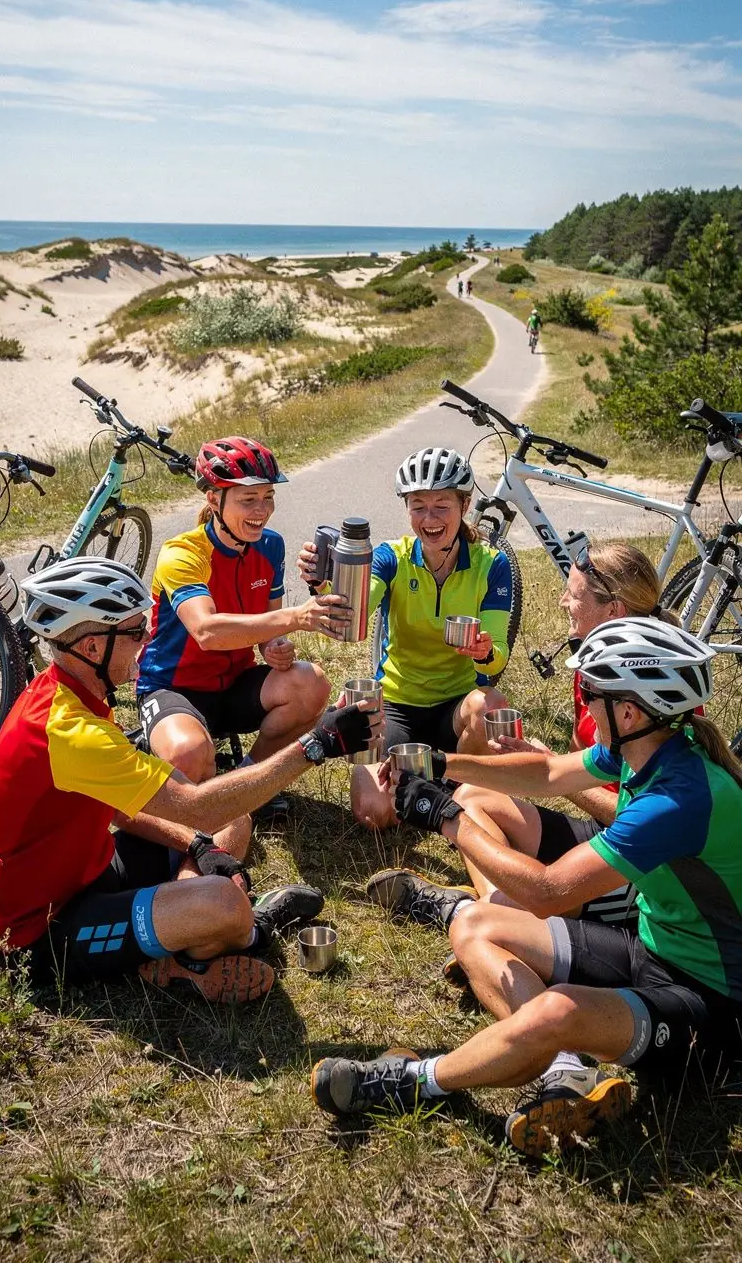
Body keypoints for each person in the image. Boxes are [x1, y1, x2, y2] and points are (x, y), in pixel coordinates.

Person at [312, 620, 742, 1156]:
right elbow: (544, 773)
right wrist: (437, 763)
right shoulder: (647, 747)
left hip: (711, 1003)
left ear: (628, 712)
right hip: (650, 949)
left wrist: (447, 818)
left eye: (590, 692)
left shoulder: (678, 801)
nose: (583, 703)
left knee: (556, 1012)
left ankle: (414, 1080)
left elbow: (547, 892)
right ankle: (564, 1066)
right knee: (472, 922)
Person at [0, 557, 380, 1004]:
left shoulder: (75, 693)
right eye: (134, 632)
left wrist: (197, 847)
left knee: (235, 817)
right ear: (92, 648)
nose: (147, 640)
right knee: (222, 898)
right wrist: (316, 746)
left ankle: (203, 929)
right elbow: (197, 806)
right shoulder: (71, 732)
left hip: (88, 872)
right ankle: (232, 937)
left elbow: (120, 809)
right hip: (40, 931)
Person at [367, 543, 672, 928]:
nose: (563, 601)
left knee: (530, 899)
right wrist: (438, 763)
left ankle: (469, 913)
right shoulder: (596, 667)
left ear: (613, 610)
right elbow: (564, 769)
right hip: (603, 829)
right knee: (471, 795)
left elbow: (635, 814)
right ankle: (491, 911)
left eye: (574, 595)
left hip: (639, 861)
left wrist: (446, 816)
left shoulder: (654, 689)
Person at [136, 437, 347, 856]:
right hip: (171, 687)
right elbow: (207, 631)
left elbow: (267, 627)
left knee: (311, 685)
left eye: (268, 497)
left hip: (233, 684)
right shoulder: (182, 553)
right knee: (191, 753)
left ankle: (249, 785)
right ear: (215, 499)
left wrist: (274, 646)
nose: (262, 511)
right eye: (248, 499)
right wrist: (295, 618)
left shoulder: (271, 546)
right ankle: (179, 765)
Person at [298, 447, 514, 830]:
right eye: (418, 507)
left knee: (491, 704)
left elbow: (498, 657)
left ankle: (457, 792)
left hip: (456, 705)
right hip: (396, 702)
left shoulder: (491, 564)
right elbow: (358, 612)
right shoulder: (391, 557)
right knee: (373, 814)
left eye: (441, 506)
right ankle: (427, 783)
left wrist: (483, 652)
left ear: (464, 505)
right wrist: (322, 585)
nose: (429, 519)